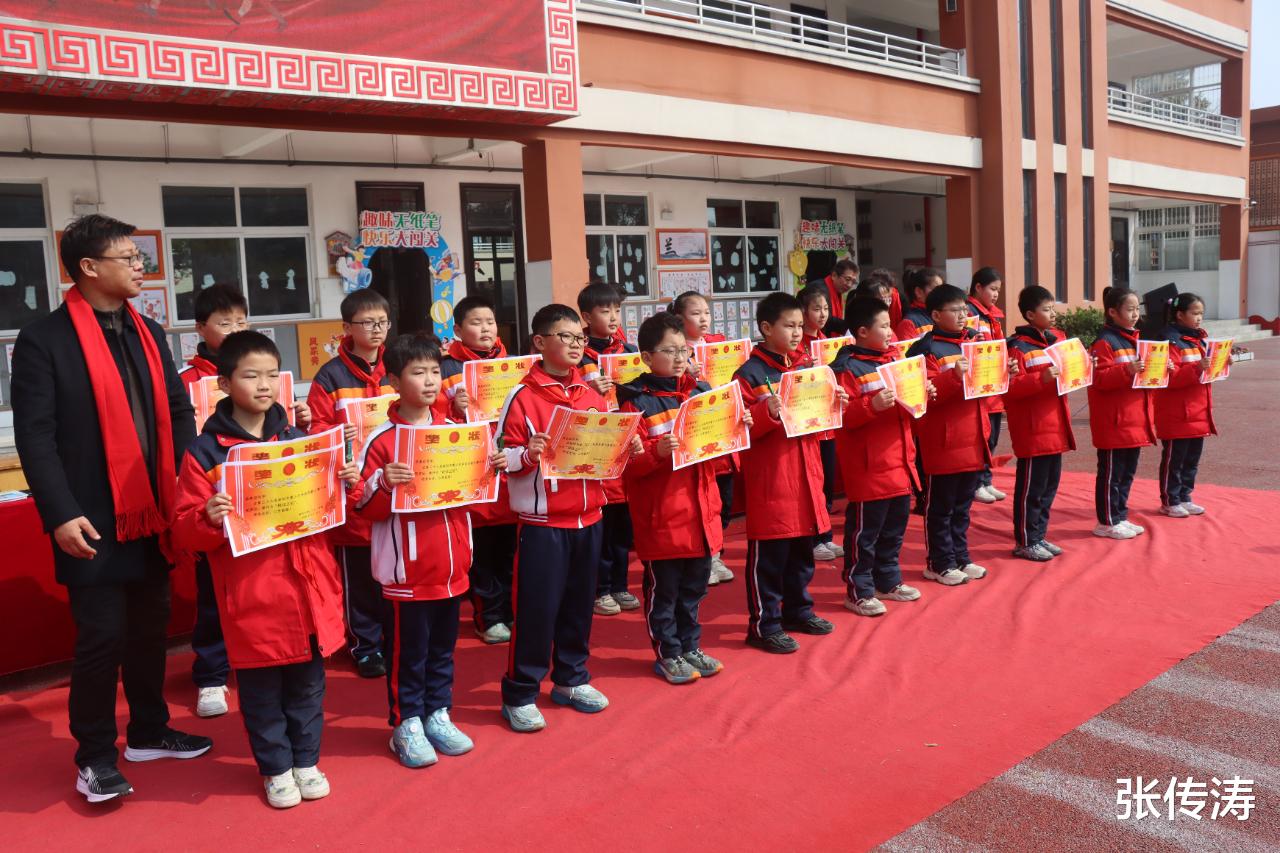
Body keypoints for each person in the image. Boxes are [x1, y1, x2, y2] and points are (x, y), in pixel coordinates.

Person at [12, 213, 211, 804]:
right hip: (90, 516)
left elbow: (178, 410)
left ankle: (148, 730)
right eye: (128, 258)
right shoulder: (45, 340)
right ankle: (95, 756)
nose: (140, 267)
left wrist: (188, 482)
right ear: (89, 267)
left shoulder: (147, 331)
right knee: (101, 638)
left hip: (153, 509)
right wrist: (58, 512)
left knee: (150, 628)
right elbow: (35, 435)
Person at [172, 331, 356, 809]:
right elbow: (184, 530)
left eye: (272, 375)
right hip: (253, 595)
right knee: (260, 693)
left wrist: (345, 485)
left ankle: (307, 761)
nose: (264, 385)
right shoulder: (205, 453)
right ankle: (276, 769)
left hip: (309, 587)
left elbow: (337, 518)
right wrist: (207, 517)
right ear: (224, 383)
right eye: (251, 376)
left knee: (309, 687)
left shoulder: (301, 442)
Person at [352, 333, 505, 767]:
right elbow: (361, 506)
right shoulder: (382, 440)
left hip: (452, 567)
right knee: (408, 654)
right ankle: (406, 723)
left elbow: (477, 502)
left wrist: (490, 469)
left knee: (442, 650)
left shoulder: (457, 433)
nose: (430, 381)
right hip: (407, 573)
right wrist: (384, 482)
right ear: (394, 382)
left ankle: (438, 714)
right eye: (418, 373)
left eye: (435, 371)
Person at [496, 304, 643, 732]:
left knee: (579, 607)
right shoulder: (521, 396)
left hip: (589, 516)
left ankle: (571, 678)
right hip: (543, 524)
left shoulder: (592, 394)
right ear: (540, 342)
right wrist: (527, 454)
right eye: (566, 336)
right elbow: (499, 458)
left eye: (580, 337)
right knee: (537, 610)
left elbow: (604, 452)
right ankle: (521, 692)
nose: (577, 344)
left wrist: (627, 447)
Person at [619, 313, 747, 684]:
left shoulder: (699, 392)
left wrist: (737, 428)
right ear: (646, 357)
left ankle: (690, 646)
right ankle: (668, 653)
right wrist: (657, 452)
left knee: (694, 590)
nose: (679, 358)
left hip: (702, 512)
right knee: (665, 592)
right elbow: (627, 466)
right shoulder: (634, 403)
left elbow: (719, 454)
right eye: (669, 351)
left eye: (683, 351)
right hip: (663, 515)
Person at [733, 292, 845, 654]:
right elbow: (739, 430)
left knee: (801, 555)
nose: (797, 332)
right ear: (767, 328)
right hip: (772, 478)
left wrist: (835, 402)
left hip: (806, 472)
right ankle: (764, 626)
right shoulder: (748, 374)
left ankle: (798, 611)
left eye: (800, 326)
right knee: (770, 558)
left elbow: (817, 418)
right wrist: (766, 411)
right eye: (789, 326)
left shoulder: (805, 366)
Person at [306, 289, 396, 678]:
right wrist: (334, 437)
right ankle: (366, 646)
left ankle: (393, 639)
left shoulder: (397, 366)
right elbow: (316, 430)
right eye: (367, 323)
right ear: (347, 327)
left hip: (393, 482)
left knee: (393, 568)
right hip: (352, 488)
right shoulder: (330, 376)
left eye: (382, 322)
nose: (377, 329)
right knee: (359, 576)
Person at [830, 297, 928, 617]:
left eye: (890, 325)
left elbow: (909, 409)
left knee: (894, 530)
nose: (890, 332)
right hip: (869, 466)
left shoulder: (895, 361)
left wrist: (924, 394)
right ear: (862, 331)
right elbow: (840, 417)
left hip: (900, 460)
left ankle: (888, 580)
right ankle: (859, 590)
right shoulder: (846, 369)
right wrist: (871, 406)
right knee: (864, 534)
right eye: (884, 326)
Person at [178, 283, 248, 718]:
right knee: (213, 594)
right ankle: (211, 675)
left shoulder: (262, 374)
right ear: (201, 328)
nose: (236, 329)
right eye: (225, 323)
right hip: (212, 493)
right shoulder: (186, 381)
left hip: (260, 499)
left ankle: (258, 663)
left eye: (242, 321)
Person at [436, 295, 517, 644]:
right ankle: (489, 616)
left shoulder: (513, 366)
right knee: (482, 551)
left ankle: (510, 611)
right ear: (457, 329)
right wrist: (453, 408)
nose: (485, 329)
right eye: (476, 323)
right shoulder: (445, 369)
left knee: (509, 551)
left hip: (510, 470)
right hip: (473, 474)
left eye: (490, 322)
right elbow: (432, 420)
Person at [906, 284, 993, 587]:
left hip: (972, 436)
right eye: (954, 310)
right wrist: (953, 376)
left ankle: (961, 557)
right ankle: (939, 563)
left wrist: (1003, 370)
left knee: (962, 507)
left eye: (964, 309)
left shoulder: (974, 341)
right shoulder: (924, 349)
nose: (962, 315)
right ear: (935, 315)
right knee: (940, 508)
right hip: (943, 440)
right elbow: (924, 396)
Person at [577, 281, 640, 617]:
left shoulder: (629, 351)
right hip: (596, 448)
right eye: (605, 311)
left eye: (617, 310)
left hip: (625, 446)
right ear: (587, 317)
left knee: (622, 528)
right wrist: (592, 391)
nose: (614, 317)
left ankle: (620, 584)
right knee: (601, 526)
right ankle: (600, 590)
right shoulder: (580, 356)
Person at [667, 290, 735, 586]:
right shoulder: (676, 352)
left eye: (706, 312)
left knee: (722, 502)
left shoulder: (718, 345)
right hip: (695, 437)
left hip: (721, 433)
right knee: (699, 503)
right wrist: (689, 375)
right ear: (679, 318)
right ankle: (704, 559)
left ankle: (715, 554)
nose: (704, 318)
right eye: (696, 313)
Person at [1004, 286, 1075, 562]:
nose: (1053, 313)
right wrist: (1041, 378)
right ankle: (1025, 541)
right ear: (1030, 314)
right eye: (1047, 309)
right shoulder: (1017, 347)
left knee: (1048, 487)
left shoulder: (1057, 341)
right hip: (1033, 430)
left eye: (1053, 308)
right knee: (1031, 490)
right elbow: (1009, 389)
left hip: (1055, 426)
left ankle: (1038, 535)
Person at [1089, 286, 1160, 540]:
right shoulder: (1104, 342)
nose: (1135, 314)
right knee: (1111, 475)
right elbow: (1098, 379)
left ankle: (1119, 516)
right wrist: (1127, 370)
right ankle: (1106, 521)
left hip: (1134, 419)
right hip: (1114, 421)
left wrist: (1162, 368)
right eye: (1129, 309)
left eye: (1137, 309)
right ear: (1112, 312)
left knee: (1126, 473)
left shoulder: (1136, 340)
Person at [1155, 292, 1216, 518]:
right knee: (1175, 460)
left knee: (1191, 460)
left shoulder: (1198, 339)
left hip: (1197, 410)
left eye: (1201, 313)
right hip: (1177, 412)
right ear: (1180, 315)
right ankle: (1170, 500)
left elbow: (1204, 372)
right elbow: (1170, 378)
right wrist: (1198, 368)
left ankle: (1185, 496)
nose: (1199, 318)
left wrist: (1221, 363)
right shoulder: (1169, 341)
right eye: (1195, 313)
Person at [796, 283, 844, 564]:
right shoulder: (798, 345)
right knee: (812, 484)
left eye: (826, 308)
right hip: (809, 424)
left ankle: (825, 535)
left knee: (826, 481)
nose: (823, 314)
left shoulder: (829, 342)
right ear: (803, 312)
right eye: (816, 308)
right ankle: (813, 538)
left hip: (828, 422)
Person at [968, 267, 1007, 504]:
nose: (996, 295)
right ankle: (976, 483)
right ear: (978, 287)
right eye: (992, 289)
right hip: (979, 386)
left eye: (998, 291)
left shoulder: (993, 316)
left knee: (991, 437)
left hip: (993, 385)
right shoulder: (969, 314)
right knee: (980, 438)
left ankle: (985, 479)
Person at [813, 258, 858, 336]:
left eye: (853, 282)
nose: (850, 285)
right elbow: (823, 318)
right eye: (847, 279)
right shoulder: (818, 290)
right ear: (834, 275)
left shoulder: (838, 291)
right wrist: (848, 327)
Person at [896, 268, 941, 341]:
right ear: (919, 292)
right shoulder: (909, 323)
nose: (941, 293)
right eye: (936, 289)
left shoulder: (942, 315)